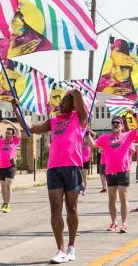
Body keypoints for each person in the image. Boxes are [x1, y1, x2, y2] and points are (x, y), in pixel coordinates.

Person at [12, 89, 88, 264]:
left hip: (72, 167)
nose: (60, 104)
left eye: (64, 101)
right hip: (54, 168)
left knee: (72, 209)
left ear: (73, 104)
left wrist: (72, 92)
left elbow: (78, 96)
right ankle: (60, 250)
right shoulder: (53, 121)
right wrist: (17, 110)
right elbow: (30, 128)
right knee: (55, 209)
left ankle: (71, 247)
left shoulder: (79, 118)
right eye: (60, 102)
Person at [88, 115, 136, 233]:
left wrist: (135, 115)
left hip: (123, 171)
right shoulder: (105, 138)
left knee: (123, 198)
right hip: (110, 172)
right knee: (111, 199)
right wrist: (86, 132)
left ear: (122, 125)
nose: (115, 124)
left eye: (118, 123)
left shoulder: (127, 135)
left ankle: (124, 223)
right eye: (113, 122)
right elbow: (92, 145)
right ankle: (114, 222)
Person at [81, 129, 96, 195]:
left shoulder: (89, 140)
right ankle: (79, 189)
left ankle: (85, 190)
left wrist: (88, 130)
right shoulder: (80, 138)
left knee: (84, 176)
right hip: (79, 160)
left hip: (86, 160)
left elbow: (95, 135)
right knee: (79, 176)